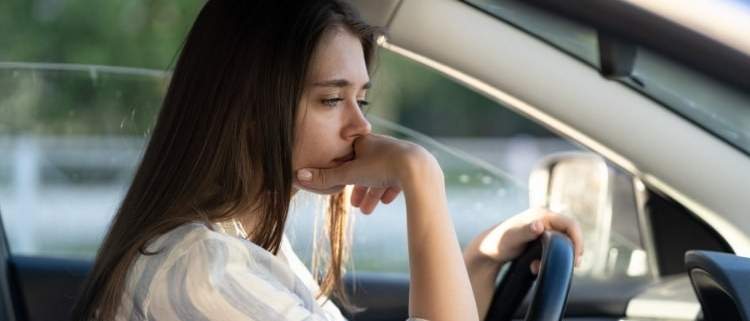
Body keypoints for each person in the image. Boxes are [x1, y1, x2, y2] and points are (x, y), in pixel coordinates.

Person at [71, 1, 583, 320]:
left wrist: (479, 259)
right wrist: (420, 174)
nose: (360, 128)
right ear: (249, 110)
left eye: (363, 99)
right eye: (331, 99)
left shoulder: (242, 248)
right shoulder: (203, 273)